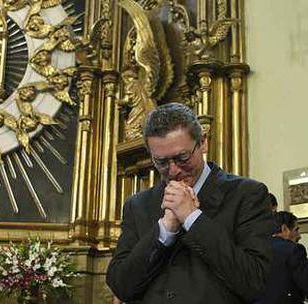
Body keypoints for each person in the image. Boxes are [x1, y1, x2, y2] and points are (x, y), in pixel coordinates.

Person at [106, 102, 274, 303]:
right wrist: (164, 230)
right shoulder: (138, 205)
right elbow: (121, 286)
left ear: (203, 142)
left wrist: (193, 218)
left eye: (182, 157)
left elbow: (254, 282)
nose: (174, 170)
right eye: (161, 162)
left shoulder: (247, 194)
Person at [256, 211, 308, 304]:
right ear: (284, 229)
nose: (299, 236)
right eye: (296, 230)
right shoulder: (294, 250)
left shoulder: (255, 250)